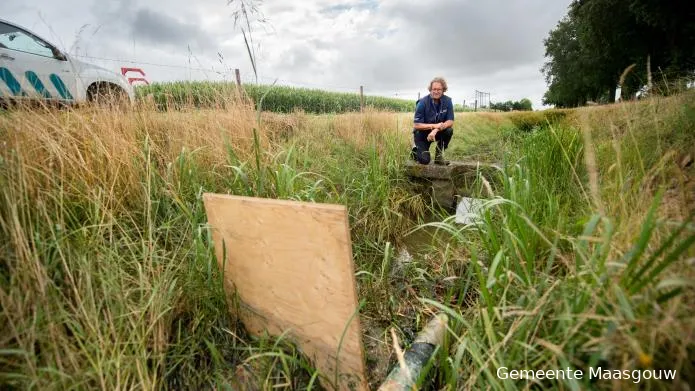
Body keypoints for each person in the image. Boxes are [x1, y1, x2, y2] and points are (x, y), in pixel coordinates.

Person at [411, 77, 454, 165]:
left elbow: (450, 121)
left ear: (443, 90)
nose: (436, 91)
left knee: (449, 131)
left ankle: (438, 157)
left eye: (439, 89)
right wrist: (434, 126)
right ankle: (415, 151)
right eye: (434, 89)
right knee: (425, 160)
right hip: (422, 134)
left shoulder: (448, 101)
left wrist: (436, 129)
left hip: (437, 132)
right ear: (430, 89)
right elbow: (416, 125)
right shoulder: (422, 103)